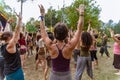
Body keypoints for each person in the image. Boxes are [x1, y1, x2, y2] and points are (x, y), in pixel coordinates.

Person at [38, 4, 84, 80]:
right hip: (66, 76)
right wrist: (81, 14)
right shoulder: (70, 46)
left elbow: (42, 30)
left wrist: (42, 15)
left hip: (54, 76)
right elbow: (79, 29)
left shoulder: (51, 46)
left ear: (55, 34)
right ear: (66, 34)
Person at [0, 12, 24, 80]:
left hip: (8, 72)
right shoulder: (10, 45)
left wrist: (8, 23)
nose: (13, 36)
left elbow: (4, 33)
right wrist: (19, 20)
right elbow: (16, 32)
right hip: (15, 72)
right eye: (12, 35)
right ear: (10, 37)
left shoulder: (2, 44)